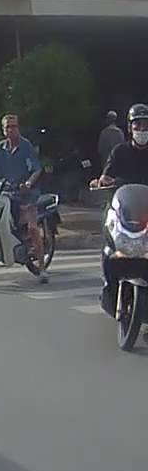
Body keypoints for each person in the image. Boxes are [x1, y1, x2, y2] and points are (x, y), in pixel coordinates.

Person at [0, 113, 49, 283]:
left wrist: (28, 183)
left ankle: (42, 268)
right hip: (6, 192)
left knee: (32, 228)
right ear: (3, 130)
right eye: (7, 127)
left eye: (14, 126)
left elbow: (37, 169)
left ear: (18, 128)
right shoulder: (1, 147)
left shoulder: (26, 146)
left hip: (27, 195)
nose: (11, 130)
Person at [89, 104, 148, 315]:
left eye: (146, 125)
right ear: (130, 128)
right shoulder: (120, 151)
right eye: (138, 125)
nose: (142, 129)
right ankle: (109, 286)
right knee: (109, 245)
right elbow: (106, 177)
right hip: (123, 211)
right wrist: (101, 181)